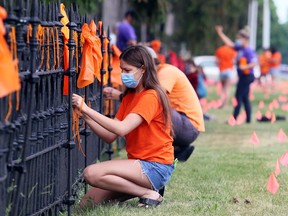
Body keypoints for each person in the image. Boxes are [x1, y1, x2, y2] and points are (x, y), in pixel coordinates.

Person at [73, 45, 174, 207]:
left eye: (127, 70)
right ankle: (143, 190)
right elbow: (110, 136)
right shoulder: (129, 96)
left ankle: (148, 193)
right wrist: (85, 115)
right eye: (121, 70)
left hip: (154, 166)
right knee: (86, 204)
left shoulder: (151, 96)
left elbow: (121, 129)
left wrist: (86, 108)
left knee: (90, 173)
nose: (123, 75)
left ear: (143, 69)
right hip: (139, 166)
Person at [104, 47, 205, 162]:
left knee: (151, 104)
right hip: (183, 124)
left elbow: (153, 99)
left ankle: (173, 148)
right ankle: (176, 148)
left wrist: (120, 96)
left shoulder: (167, 71)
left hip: (189, 127)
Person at [215, 25, 258, 123]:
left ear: (245, 39)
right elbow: (229, 43)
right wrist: (220, 33)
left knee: (238, 96)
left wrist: (244, 67)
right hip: (243, 76)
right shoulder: (240, 49)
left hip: (247, 76)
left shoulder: (248, 50)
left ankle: (234, 119)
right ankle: (248, 119)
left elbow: (254, 62)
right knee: (244, 97)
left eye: (240, 38)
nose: (238, 40)